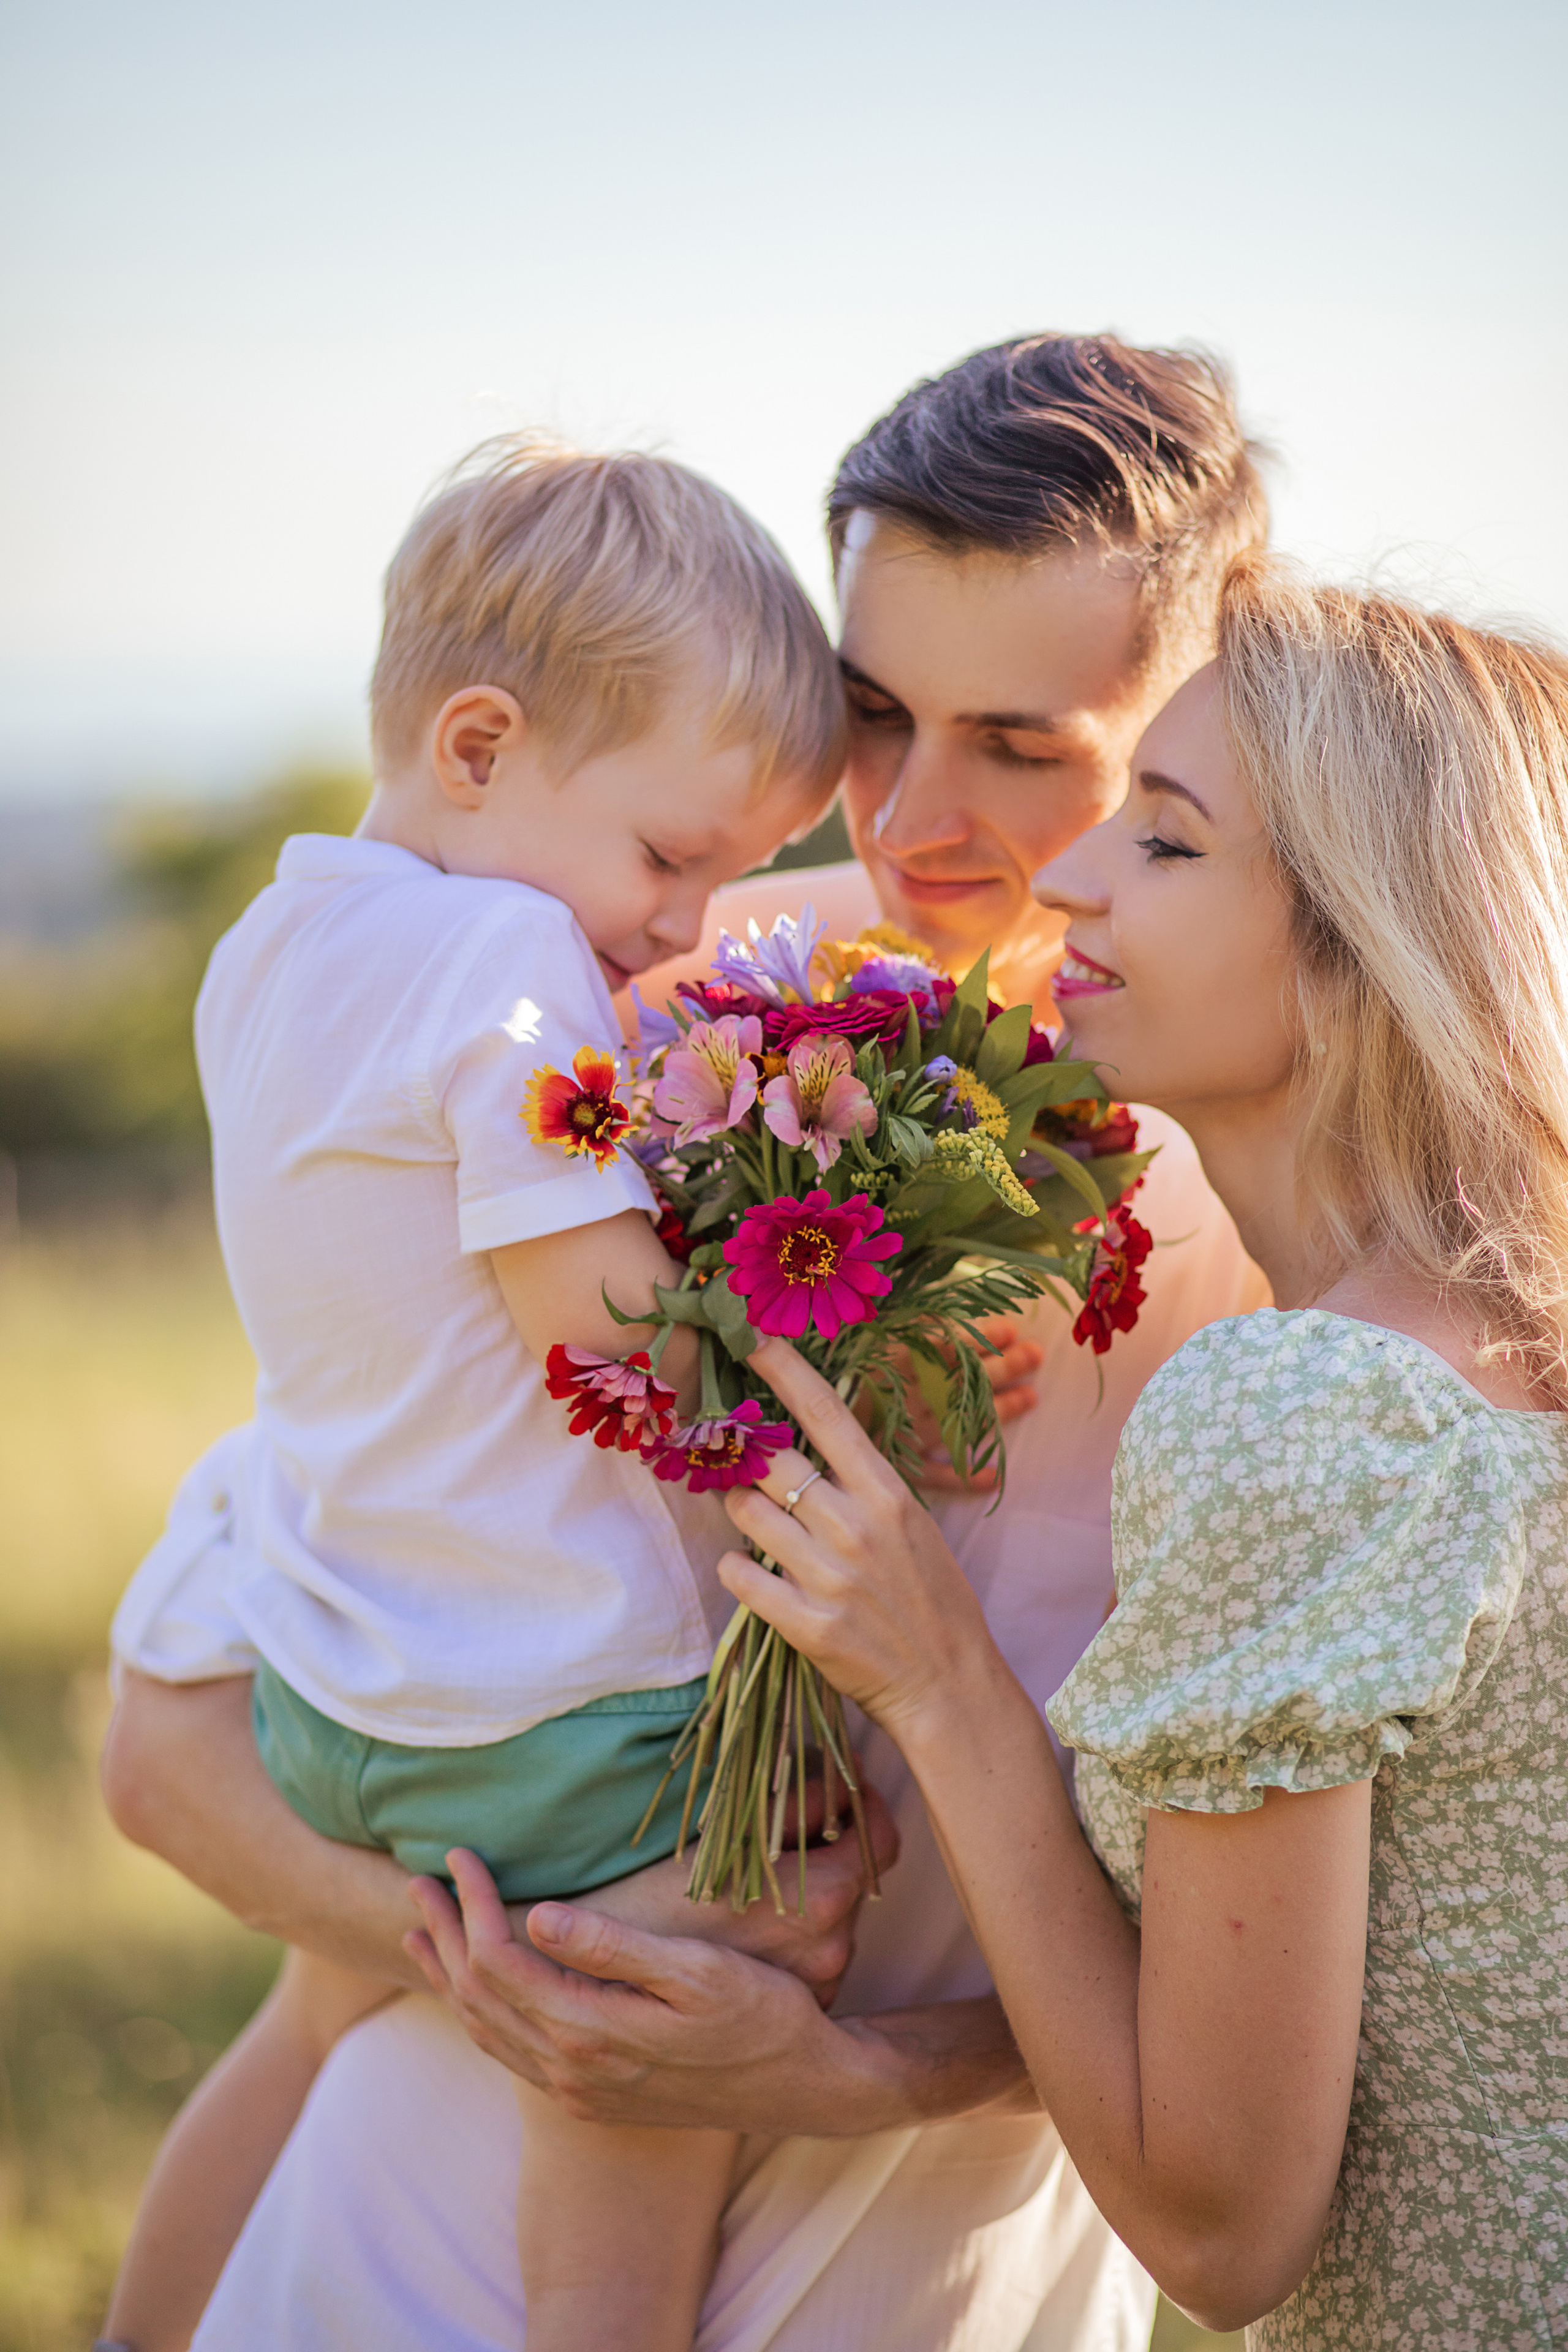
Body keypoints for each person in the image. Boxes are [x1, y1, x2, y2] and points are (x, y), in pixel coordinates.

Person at [103, 335, 1270, 2352]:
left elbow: (1250, 2047)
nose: (912, 815)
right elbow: (175, 1736)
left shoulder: (1279, 1207)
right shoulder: (621, 989)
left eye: (1025, 740)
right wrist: (538, 1963)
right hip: (443, 2178)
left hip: (925, 2233)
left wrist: (833, 2072)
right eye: (877, 710)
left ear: (1217, 714)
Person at [696, 563, 1568, 2347]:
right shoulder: (1497, 1341)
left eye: (1166, 843)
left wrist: (939, 1684)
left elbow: (1224, 2227)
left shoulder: (1305, 1407)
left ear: (1369, 941)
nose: (1074, 869)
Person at [99, 433, 849, 2352]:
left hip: (338, 1695)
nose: (682, 929)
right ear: (481, 745)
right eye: (672, 858)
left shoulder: (267, 945)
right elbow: (600, 1339)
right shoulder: (511, 954)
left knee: (306, 2017)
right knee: (638, 2078)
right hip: (557, 1718)